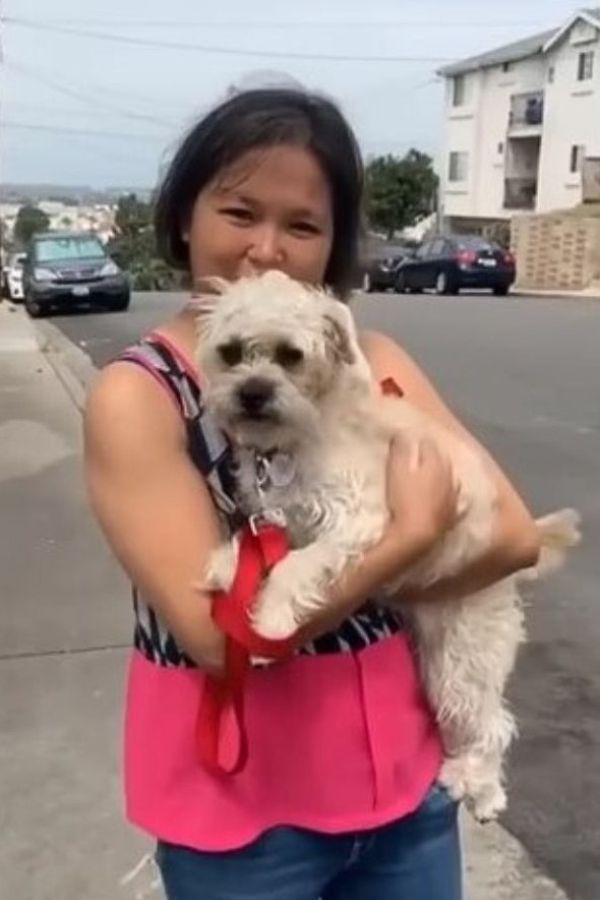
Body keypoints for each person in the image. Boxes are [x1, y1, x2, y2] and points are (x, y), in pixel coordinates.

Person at [84, 87, 540, 900]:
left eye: (303, 225)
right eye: (239, 212)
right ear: (186, 215)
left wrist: (384, 561)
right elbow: (229, 640)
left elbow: (511, 538)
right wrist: (406, 541)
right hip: (242, 822)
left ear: (333, 245)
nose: (266, 249)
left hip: (403, 794)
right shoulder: (140, 396)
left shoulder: (373, 358)